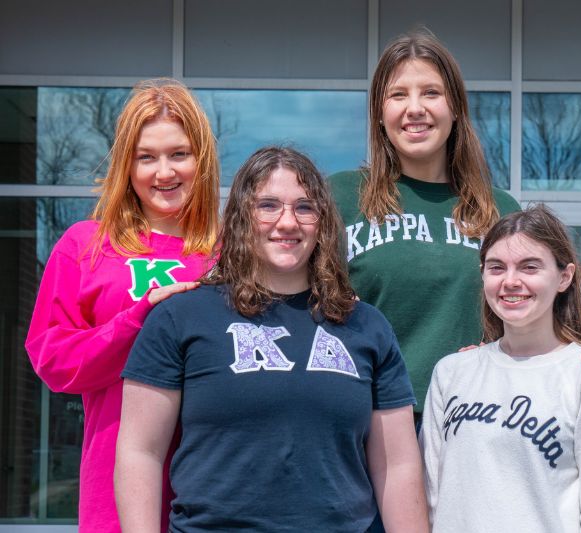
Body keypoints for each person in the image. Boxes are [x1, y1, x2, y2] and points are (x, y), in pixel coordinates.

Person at [114, 146, 429, 532]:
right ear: (242, 216)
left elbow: (396, 466)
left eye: (305, 208)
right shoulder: (180, 317)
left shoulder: (365, 326)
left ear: (324, 223)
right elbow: (139, 452)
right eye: (268, 205)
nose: (287, 222)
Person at [25, 78, 220, 532]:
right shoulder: (86, 245)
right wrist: (139, 322)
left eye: (179, 154)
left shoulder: (231, 252)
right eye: (146, 157)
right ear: (126, 166)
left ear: (202, 160)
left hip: (219, 495)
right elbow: (54, 361)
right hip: (115, 498)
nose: (164, 172)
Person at [329, 29, 520, 420]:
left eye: (431, 93)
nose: (415, 108)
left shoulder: (500, 209)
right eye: (398, 95)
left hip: (476, 416)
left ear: (455, 108)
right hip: (368, 419)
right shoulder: (341, 197)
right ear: (380, 115)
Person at [420, 206, 581, 533]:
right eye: (497, 268)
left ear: (564, 277)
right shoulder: (451, 373)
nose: (510, 281)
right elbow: (429, 498)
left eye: (529, 267)